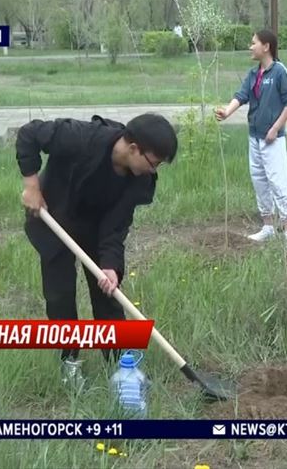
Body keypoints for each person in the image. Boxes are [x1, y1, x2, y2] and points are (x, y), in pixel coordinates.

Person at [16, 113, 178, 388]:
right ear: (133, 148)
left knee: (108, 292)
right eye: (153, 162)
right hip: (55, 217)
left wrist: (110, 265)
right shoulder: (80, 137)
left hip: (98, 227)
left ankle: (119, 364)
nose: (154, 170)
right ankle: (69, 362)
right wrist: (31, 186)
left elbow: (117, 225)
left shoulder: (139, 179)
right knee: (60, 294)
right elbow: (29, 134)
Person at [215, 29, 287, 248]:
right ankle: (268, 226)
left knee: (278, 181)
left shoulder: (280, 72)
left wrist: (275, 128)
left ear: (266, 46)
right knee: (260, 180)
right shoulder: (254, 74)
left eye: (253, 43)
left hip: (273, 139)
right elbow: (241, 96)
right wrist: (226, 111)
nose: (250, 47)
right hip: (255, 137)